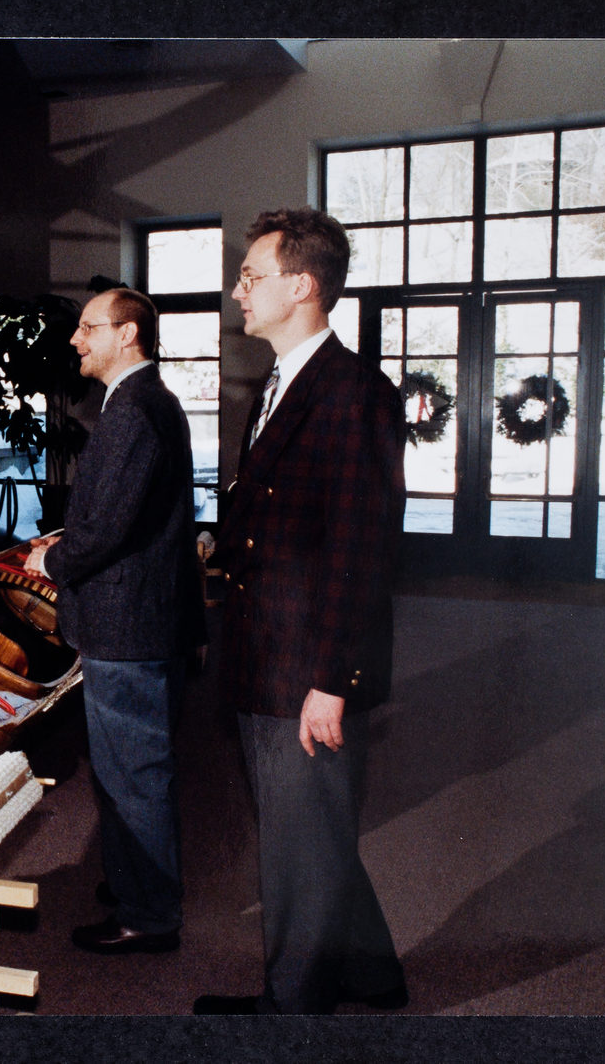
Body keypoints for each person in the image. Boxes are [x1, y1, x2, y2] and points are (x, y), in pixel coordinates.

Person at [193, 208, 408, 1015]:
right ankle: (371, 973)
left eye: (251, 275)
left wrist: (331, 680)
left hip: (306, 665)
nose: (238, 291)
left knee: (299, 841)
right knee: (310, 828)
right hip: (266, 648)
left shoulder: (355, 394)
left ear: (302, 286)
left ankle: (294, 1010)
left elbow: (362, 552)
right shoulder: (283, 381)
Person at [25, 287, 205, 956]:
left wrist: (53, 560)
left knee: (132, 774)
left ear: (127, 334)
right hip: (148, 615)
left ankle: (149, 914)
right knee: (133, 770)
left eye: (88, 328)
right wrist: (70, 541)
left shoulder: (131, 409)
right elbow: (130, 516)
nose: (76, 339)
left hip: (127, 626)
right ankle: (137, 881)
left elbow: (108, 529)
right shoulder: (149, 400)